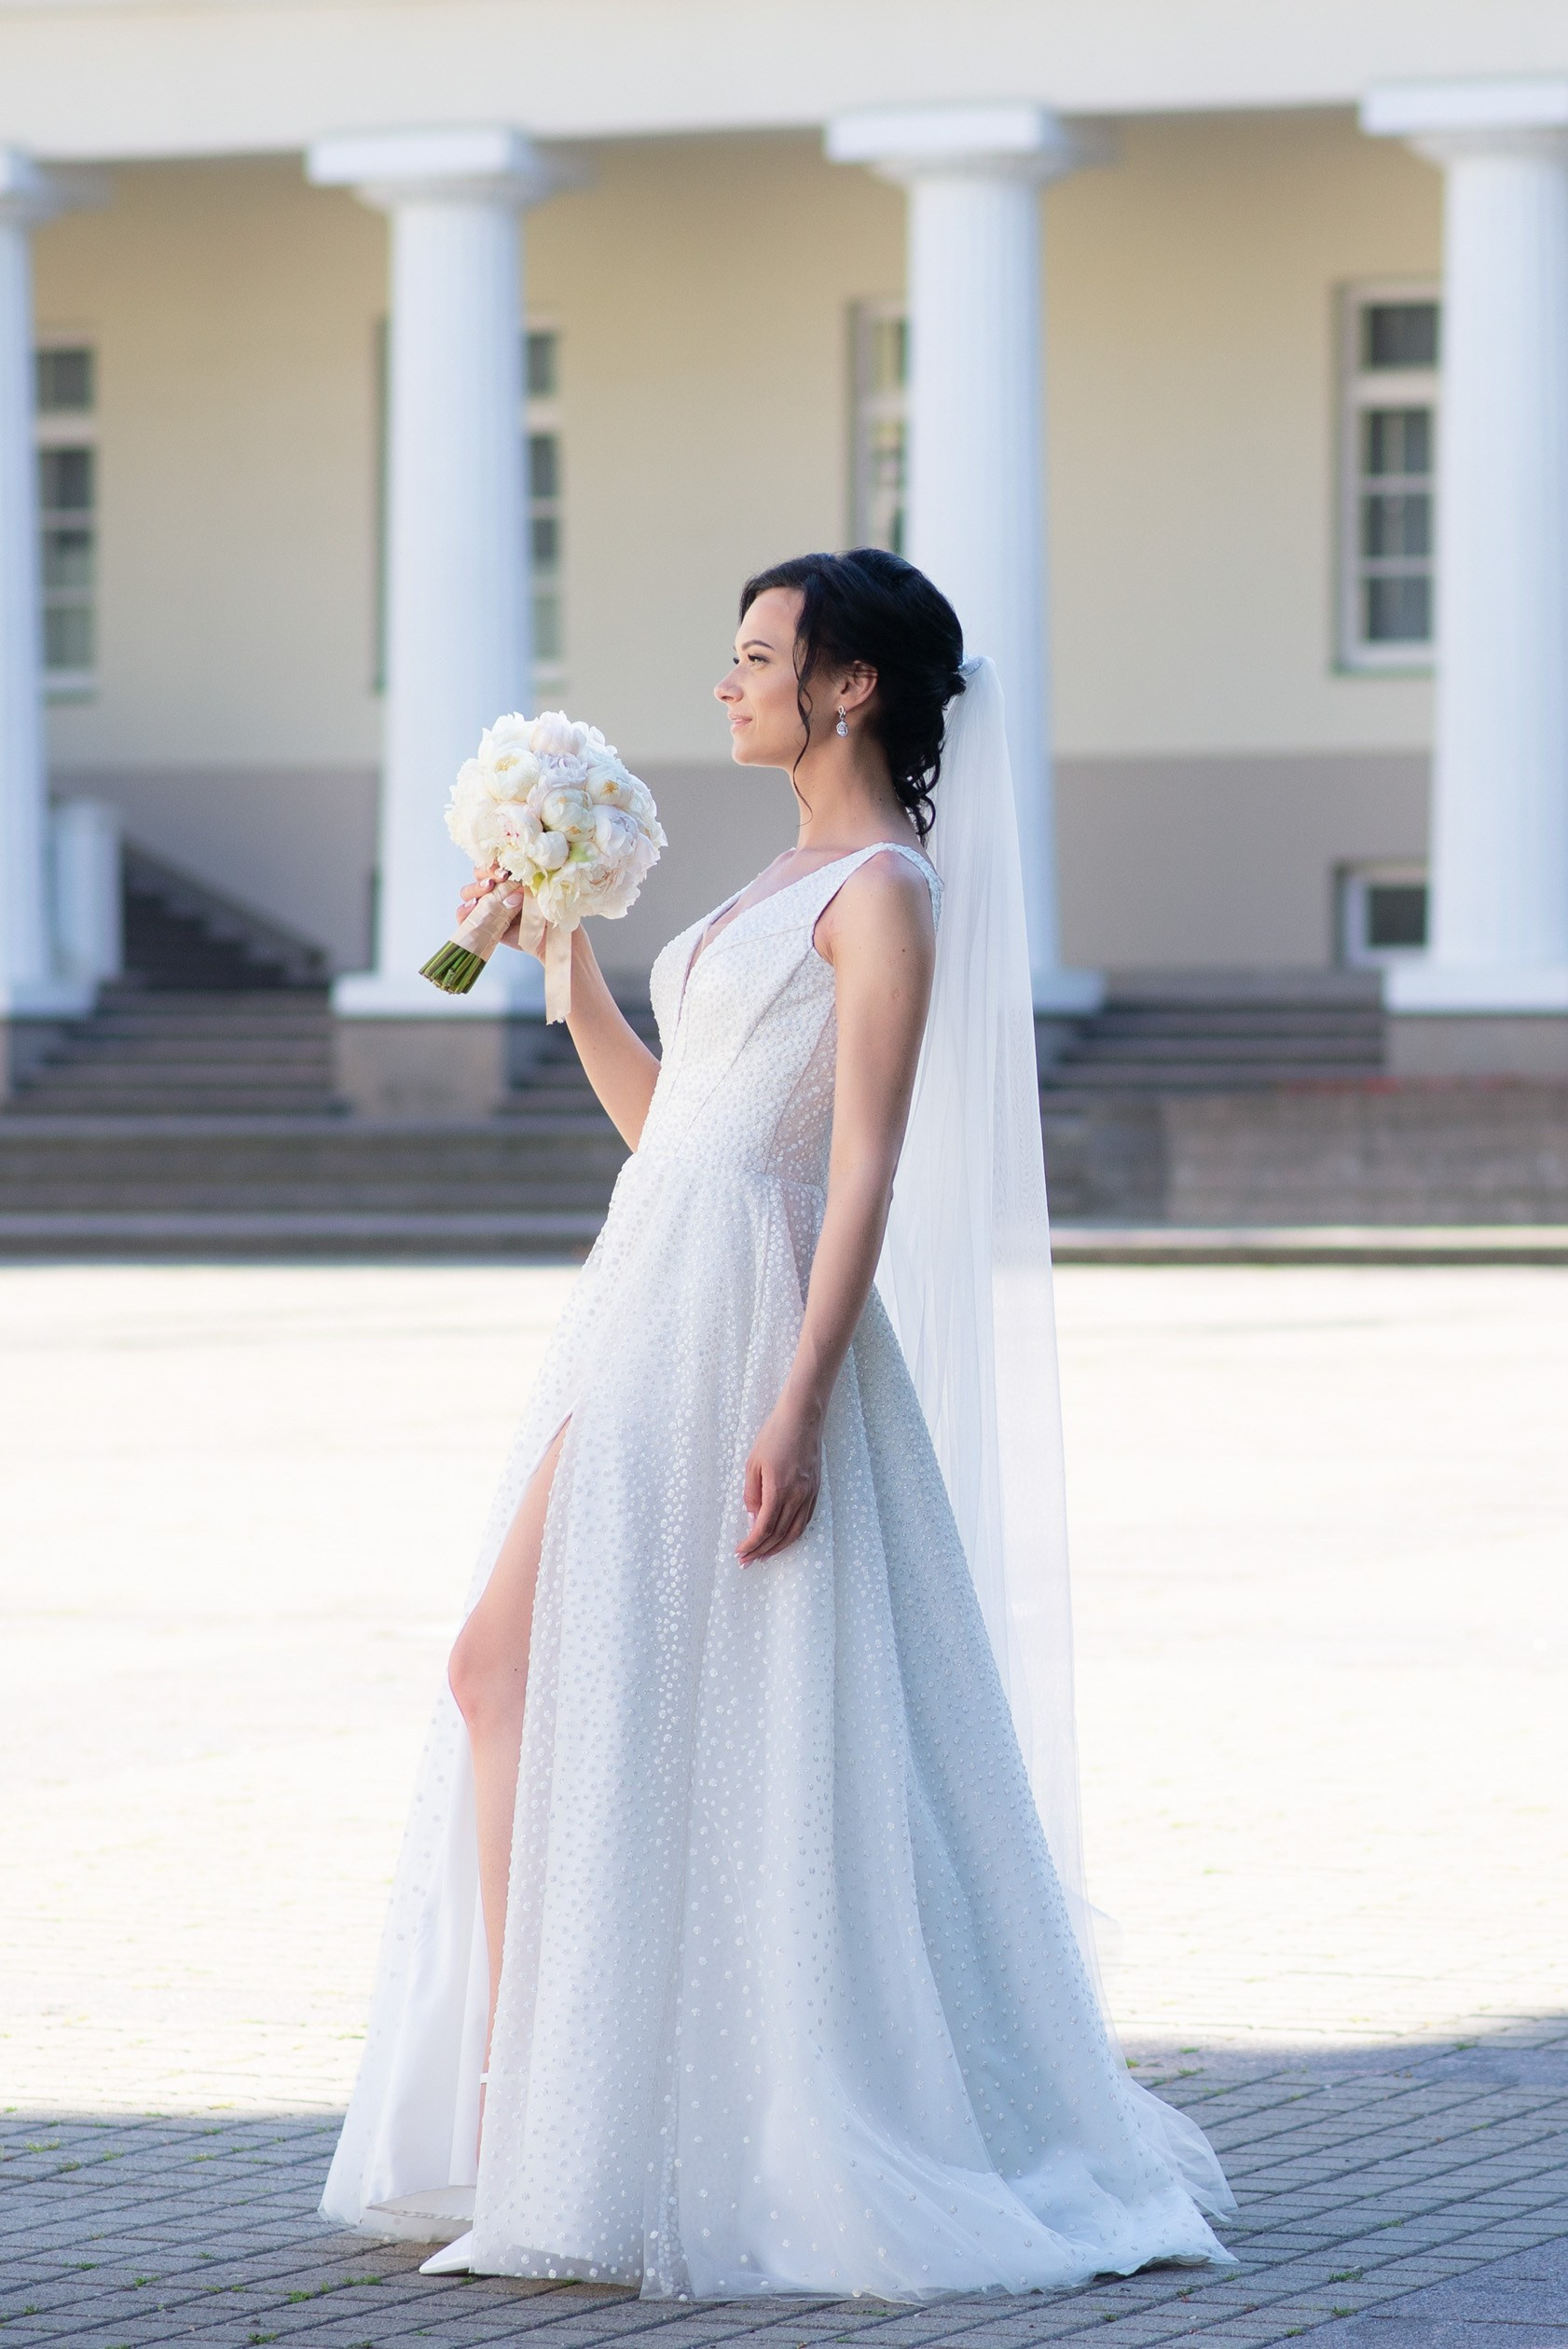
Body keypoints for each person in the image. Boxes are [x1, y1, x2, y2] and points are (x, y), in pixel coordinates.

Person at [321, 548, 1236, 2299]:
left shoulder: (885, 888)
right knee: (500, 1671)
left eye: (757, 657)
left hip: (750, 1313)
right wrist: (564, 957)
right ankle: (536, 2101)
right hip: (649, 1290)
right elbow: (678, 1129)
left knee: (608, 1682)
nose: (727, 685)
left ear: (851, 687)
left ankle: (585, 2109)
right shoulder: (777, 879)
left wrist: (799, 1399)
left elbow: (863, 1161)